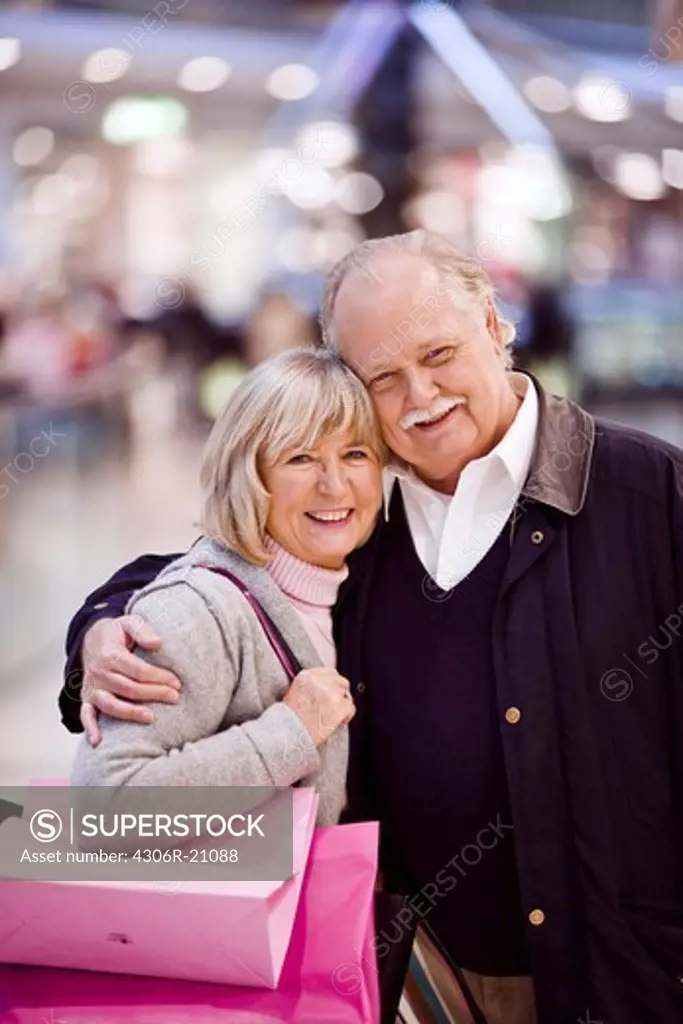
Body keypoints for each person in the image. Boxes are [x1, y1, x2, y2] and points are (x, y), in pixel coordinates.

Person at [60, 230, 683, 1024]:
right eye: (383, 377)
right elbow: (216, 565)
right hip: (404, 980)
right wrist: (101, 623)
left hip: (619, 980)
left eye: (438, 353)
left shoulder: (645, 493)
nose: (420, 396)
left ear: (494, 325)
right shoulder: (356, 510)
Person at [70, 346, 384, 830]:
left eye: (355, 453)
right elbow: (105, 812)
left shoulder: (349, 587)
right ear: (248, 474)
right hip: (217, 907)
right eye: (300, 457)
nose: (334, 484)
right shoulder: (199, 612)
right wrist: (289, 734)